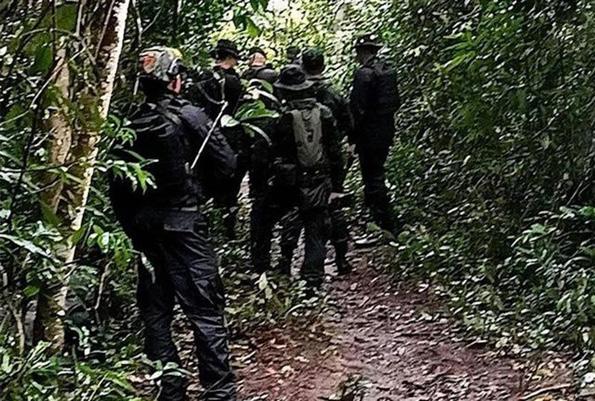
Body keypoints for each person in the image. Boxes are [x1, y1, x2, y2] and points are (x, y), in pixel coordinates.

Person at [108, 47, 237, 401]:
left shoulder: (129, 123)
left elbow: (116, 185)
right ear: (175, 80)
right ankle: (219, 391)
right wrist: (198, 189)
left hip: (146, 229)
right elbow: (227, 164)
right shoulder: (190, 116)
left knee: (155, 310)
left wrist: (133, 227)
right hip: (184, 227)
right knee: (205, 309)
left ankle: (171, 387)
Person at [250, 66, 344, 288]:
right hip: (318, 179)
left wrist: (259, 185)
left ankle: (262, 267)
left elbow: (263, 155)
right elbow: (335, 151)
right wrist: (336, 185)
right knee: (316, 227)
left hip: (286, 183)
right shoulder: (324, 113)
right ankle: (313, 278)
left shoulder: (279, 119)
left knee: (263, 218)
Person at [276, 47, 354, 275]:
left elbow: (277, 150)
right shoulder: (331, 98)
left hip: (293, 176)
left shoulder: (285, 115)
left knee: (292, 216)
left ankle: (285, 263)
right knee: (323, 219)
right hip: (322, 169)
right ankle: (329, 266)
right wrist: (338, 182)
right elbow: (346, 131)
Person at [349, 33, 400, 234]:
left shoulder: (364, 74)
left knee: (373, 178)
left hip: (368, 134)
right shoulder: (386, 70)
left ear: (361, 52)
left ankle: (385, 225)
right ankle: (375, 219)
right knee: (376, 174)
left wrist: (352, 137)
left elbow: (358, 109)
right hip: (385, 130)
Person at [200, 39, 247, 239]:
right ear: (230, 58)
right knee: (230, 182)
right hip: (228, 136)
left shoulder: (204, 78)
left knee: (206, 179)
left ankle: (207, 225)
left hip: (204, 134)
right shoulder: (233, 81)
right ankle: (228, 227)